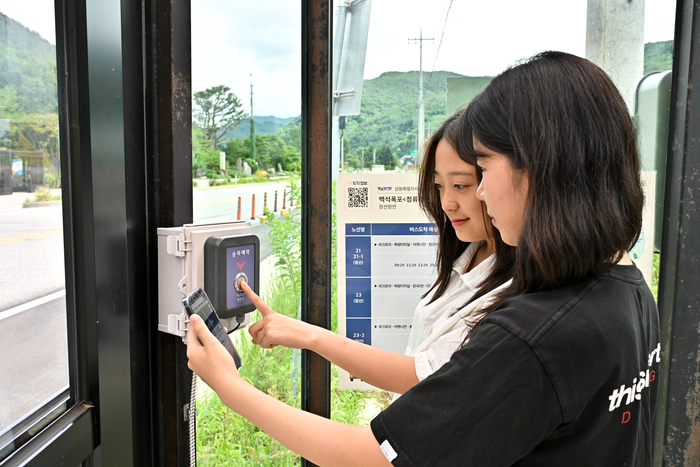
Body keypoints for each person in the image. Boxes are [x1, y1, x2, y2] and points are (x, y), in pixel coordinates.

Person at [187, 51, 660, 466]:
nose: (475, 192)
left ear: (541, 166)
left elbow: (371, 458)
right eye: (444, 185)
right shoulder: (626, 287)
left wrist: (228, 386)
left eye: (484, 168)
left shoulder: (532, 337)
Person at [249, 108, 514, 395]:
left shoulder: (517, 290)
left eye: (461, 185)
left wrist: (309, 336)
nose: (447, 203)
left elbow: (427, 379)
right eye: (439, 186)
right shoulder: (467, 256)